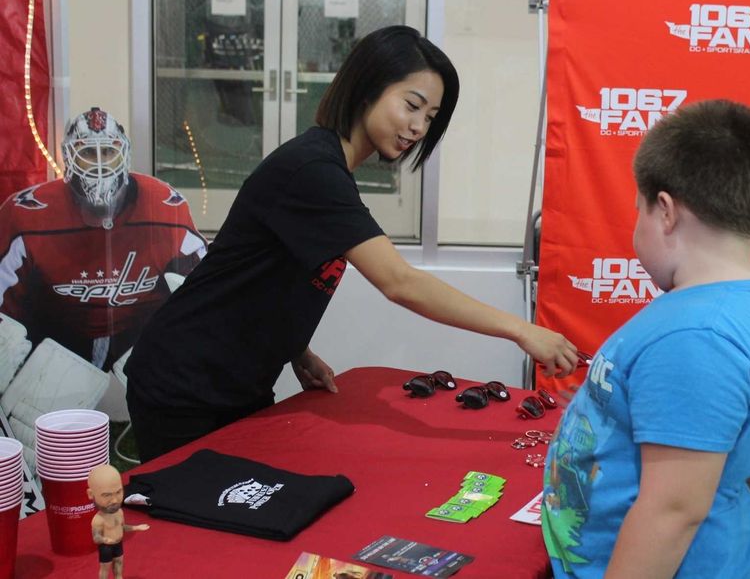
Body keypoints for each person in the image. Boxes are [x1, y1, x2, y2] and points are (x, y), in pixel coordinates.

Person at [125, 25, 578, 461]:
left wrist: (294, 348)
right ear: (367, 88)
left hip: (235, 383)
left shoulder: (328, 171)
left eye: (430, 117)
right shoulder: (313, 171)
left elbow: (268, 268)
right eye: (412, 105)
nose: (418, 127)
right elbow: (399, 282)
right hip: (184, 385)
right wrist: (522, 330)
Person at [542, 100, 750, 578]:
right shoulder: (722, 304)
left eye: (639, 211)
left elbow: (671, 514)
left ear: (666, 212)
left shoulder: (698, 338)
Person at [0, 107, 207, 371]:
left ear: (124, 154)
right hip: (55, 338)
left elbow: (204, 290)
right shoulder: (28, 214)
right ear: (69, 156)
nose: (100, 163)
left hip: (138, 338)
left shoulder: (163, 207)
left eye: (108, 151)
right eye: (88, 153)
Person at [88, 463, 150, 579]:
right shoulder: (98, 519)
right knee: (105, 568)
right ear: (91, 494)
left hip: (118, 543)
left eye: (118, 492)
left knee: (119, 563)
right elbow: (96, 537)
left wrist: (136, 527)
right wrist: (105, 540)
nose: (114, 500)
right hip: (106, 547)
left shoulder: (119, 512)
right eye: (107, 495)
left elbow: (122, 527)